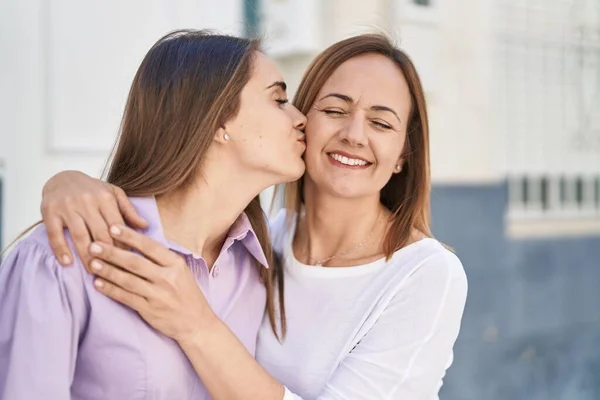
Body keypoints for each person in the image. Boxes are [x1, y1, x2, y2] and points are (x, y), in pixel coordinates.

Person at [35, 34, 468, 399]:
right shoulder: (254, 246)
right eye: (335, 111)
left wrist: (195, 323)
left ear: (402, 157)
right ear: (303, 122)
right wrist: (66, 181)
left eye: (382, 124)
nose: (354, 135)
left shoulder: (426, 275)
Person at [0, 29, 308, 399]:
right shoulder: (63, 260)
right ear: (218, 121)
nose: (300, 117)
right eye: (279, 99)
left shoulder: (259, 273)